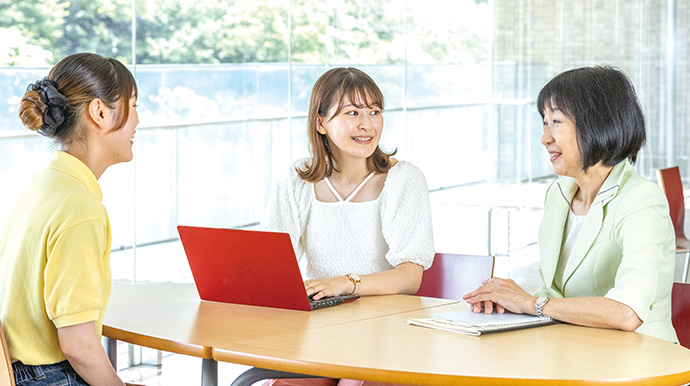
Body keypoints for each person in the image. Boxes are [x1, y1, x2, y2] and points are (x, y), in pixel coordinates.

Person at [463, 65, 678, 343]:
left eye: (556, 121)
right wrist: (511, 300)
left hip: (640, 362)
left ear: (598, 122)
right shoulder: (559, 194)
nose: (545, 138)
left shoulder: (641, 199)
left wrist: (531, 303)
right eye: (544, 122)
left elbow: (627, 312)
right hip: (573, 350)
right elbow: (555, 294)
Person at [260, 67, 435, 386]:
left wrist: (346, 283)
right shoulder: (298, 179)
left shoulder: (403, 179)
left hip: (387, 331)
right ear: (320, 122)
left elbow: (410, 277)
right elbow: (269, 259)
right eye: (352, 112)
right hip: (320, 329)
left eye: (375, 111)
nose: (367, 124)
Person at [0, 53, 142, 385]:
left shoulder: (44, 184)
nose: (137, 120)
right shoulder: (80, 209)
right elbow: (78, 346)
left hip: (16, 372)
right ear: (100, 112)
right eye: (133, 104)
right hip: (50, 376)